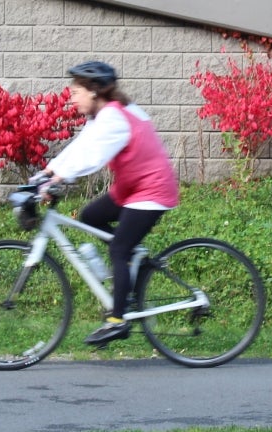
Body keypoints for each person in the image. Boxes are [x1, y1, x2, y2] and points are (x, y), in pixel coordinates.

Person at [34, 61, 181, 346]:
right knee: (90, 216)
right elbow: (80, 148)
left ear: (94, 91)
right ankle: (129, 264)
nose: (71, 97)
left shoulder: (114, 117)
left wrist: (58, 179)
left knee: (119, 248)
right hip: (130, 188)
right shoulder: (103, 116)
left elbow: (94, 157)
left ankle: (118, 319)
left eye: (76, 91)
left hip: (151, 191)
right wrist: (46, 173)